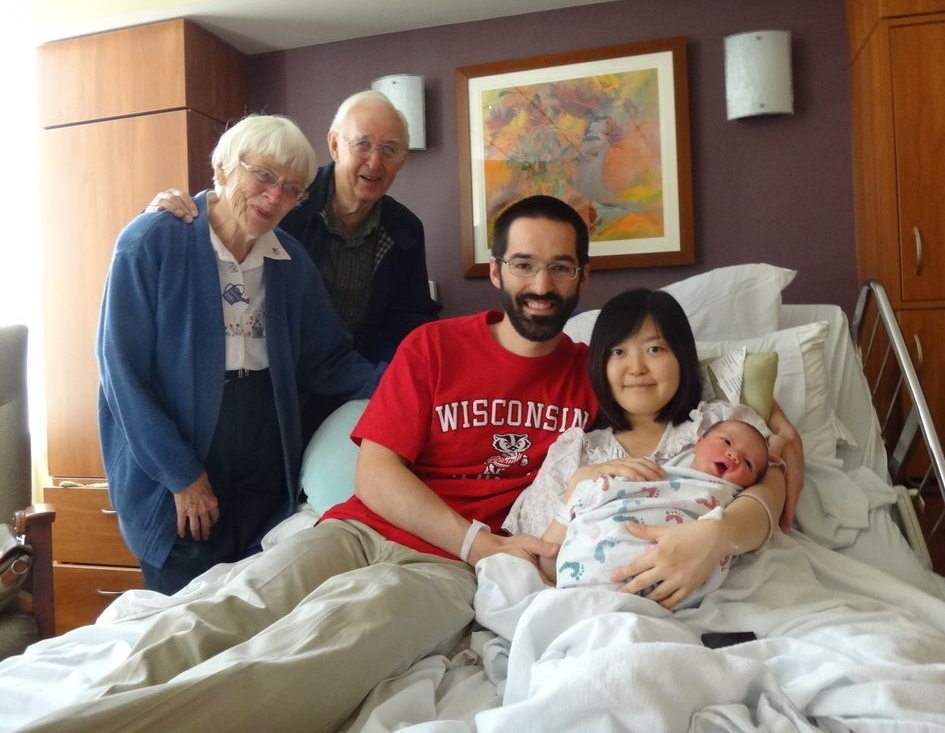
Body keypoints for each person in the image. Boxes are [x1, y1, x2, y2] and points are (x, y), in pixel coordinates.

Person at [26, 198, 792, 733]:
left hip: (445, 577)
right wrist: (477, 539)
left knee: (315, 652)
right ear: (497, 271)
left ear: (582, 279)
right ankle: (72, 705)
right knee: (225, 609)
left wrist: (765, 465)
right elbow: (375, 474)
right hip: (361, 531)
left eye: (561, 268)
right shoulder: (433, 347)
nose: (542, 285)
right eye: (525, 265)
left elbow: (746, 451)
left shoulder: (601, 372)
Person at [96, 113, 382, 595]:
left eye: (291, 188)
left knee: (254, 599)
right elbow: (121, 375)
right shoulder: (151, 242)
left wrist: (407, 385)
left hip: (263, 447)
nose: (274, 196)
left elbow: (329, 360)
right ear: (223, 168)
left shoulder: (290, 261)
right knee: (182, 609)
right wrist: (181, 476)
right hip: (180, 449)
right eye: (263, 175)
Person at [505, 287, 799, 610]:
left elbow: (770, 496)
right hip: (598, 607)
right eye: (618, 352)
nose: (636, 368)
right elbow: (544, 563)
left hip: (712, 603)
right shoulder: (575, 453)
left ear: (682, 356)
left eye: (654, 349)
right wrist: (577, 485)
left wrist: (718, 535)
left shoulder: (720, 427)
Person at [148, 90, 439, 366]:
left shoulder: (405, 229)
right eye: (362, 144)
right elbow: (222, 214)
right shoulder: (285, 206)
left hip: (347, 369)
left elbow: (410, 321)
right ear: (335, 145)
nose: (375, 162)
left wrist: (401, 379)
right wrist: (163, 212)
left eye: (389, 149)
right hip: (283, 366)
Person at [554, 419, 775, 609]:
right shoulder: (653, 472)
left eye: (748, 463)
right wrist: (584, 486)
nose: (734, 455)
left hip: (667, 584)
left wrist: (720, 533)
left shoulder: (729, 497)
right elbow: (552, 546)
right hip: (582, 566)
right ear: (698, 443)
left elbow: (764, 504)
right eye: (726, 442)